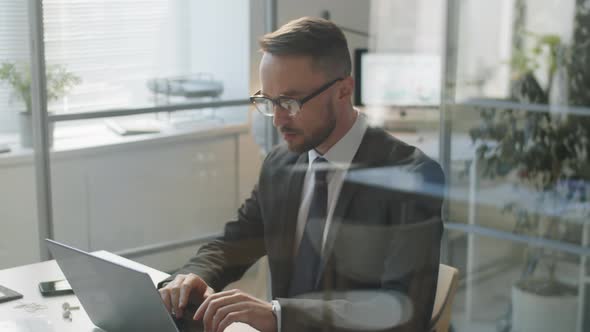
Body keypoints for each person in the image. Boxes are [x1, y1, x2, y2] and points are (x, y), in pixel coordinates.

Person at [158, 16, 444, 332]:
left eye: (290, 102)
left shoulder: (412, 176)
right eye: (268, 101)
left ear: (343, 90)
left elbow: (405, 311)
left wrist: (279, 316)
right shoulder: (280, 165)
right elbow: (235, 242)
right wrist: (194, 276)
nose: (278, 119)